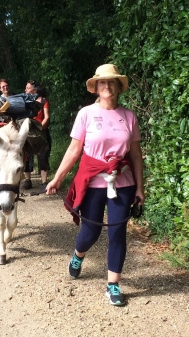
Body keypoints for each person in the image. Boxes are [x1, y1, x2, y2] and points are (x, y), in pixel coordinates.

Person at [46, 64, 145, 306]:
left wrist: (140, 189)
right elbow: (74, 150)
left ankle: (113, 285)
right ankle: (78, 255)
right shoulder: (86, 114)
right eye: (102, 82)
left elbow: (135, 155)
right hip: (92, 182)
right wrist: (57, 177)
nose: (107, 86)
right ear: (96, 87)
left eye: (112, 82)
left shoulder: (129, 117)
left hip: (122, 183)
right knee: (90, 232)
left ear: (118, 86)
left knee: (117, 233)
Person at [21, 81, 51, 193]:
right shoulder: (24, 101)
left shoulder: (43, 101)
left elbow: (46, 117)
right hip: (28, 131)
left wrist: (40, 129)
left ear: (35, 90)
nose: (26, 90)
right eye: (26, 88)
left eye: (28, 88)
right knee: (27, 156)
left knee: (43, 155)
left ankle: (44, 182)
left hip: (41, 131)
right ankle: (27, 181)